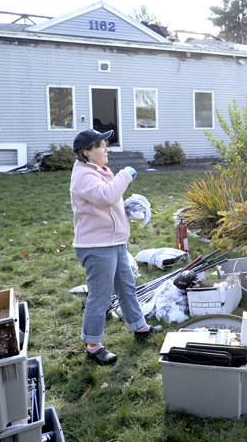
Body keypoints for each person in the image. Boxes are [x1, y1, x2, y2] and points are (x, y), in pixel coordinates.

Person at [70, 128, 162, 365]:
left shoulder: (100, 170)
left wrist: (126, 208)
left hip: (114, 241)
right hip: (96, 245)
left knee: (126, 286)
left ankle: (139, 326)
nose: (106, 149)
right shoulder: (82, 175)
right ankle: (93, 345)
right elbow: (106, 196)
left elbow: (110, 202)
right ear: (86, 152)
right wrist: (126, 175)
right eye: (101, 145)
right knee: (100, 296)